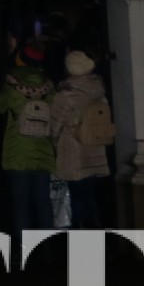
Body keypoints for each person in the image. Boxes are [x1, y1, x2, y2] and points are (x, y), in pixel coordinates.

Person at [0, 33, 55, 265]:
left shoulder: (12, 86)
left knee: (21, 203)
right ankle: (48, 249)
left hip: (17, 151)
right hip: (43, 150)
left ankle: (22, 249)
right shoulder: (49, 87)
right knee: (43, 201)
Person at [48, 49, 111, 228]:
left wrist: (52, 144)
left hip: (73, 152)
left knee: (77, 196)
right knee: (90, 194)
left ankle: (81, 231)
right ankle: (96, 228)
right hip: (95, 148)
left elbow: (54, 127)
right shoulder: (99, 90)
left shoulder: (66, 95)